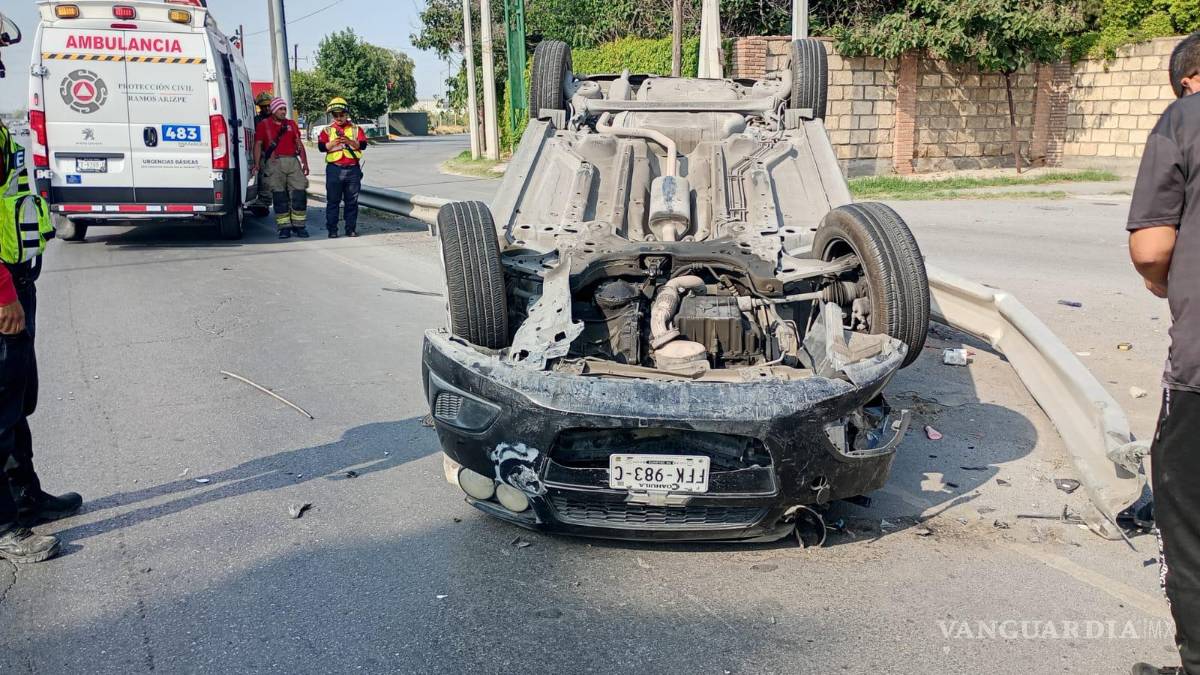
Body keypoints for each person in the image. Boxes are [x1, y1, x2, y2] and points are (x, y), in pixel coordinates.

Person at [1127, 31, 1200, 675]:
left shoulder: (1185, 118)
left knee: (1187, 514)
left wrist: (1163, 283)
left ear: (1188, 79)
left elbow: (1152, 248)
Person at [0, 118, 81, 564]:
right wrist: (3, 292)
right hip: (3, 290)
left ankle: (25, 498)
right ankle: (5, 527)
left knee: (17, 402)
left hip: (16, 282)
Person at [251, 97, 309, 239]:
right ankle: (284, 228)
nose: (283, 112)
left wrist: (305, 162)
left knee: (299, 194)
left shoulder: (291, 124)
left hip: (293, 162)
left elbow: (298, 143)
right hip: (275, 163)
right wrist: (257, 164)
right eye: (280, 109)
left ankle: (299, 226)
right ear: (273, 110)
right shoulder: (264, 125)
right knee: (280, 197)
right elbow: (258, 145)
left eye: (284, 109)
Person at [317, 97, 368, 238]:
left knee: (352, 202)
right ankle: (332, 230)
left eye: (341, 114)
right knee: (333, 201)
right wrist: (333, 143)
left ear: (346, 114)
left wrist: (349, 141)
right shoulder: (327, 131)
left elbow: (363, 145)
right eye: (335, 115)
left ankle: (350, 229)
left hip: (352, 169)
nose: (339, 117)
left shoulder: (356, 129)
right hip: (334, 169)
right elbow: (321, 148)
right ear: (332, 115)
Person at [251, 91, 274, 212]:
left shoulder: (279, 119)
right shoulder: (256, 121)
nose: (267, 108)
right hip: (264, 155)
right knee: (265, 182)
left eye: (268, 105)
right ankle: (263, 205)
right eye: (263, 106)